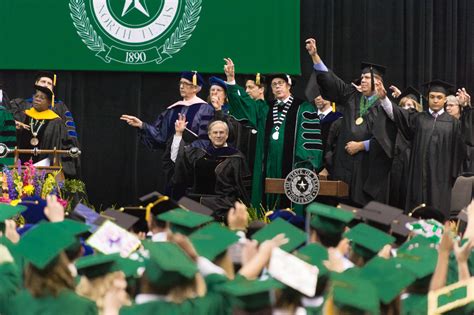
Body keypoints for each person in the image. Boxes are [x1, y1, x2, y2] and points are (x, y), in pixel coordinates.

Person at [306, 38, 397, 206]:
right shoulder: (351, 96)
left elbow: (390, 140)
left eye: (366, 78)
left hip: (368, 169)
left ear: (378, 82)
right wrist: (315, 55)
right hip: (344, 165)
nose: (362, 80)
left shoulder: (385, 106)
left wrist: (363, 145)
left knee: (363, 211)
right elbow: (331, 80)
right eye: (361, 77)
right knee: (341, 206)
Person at [224, 58, 323, 211]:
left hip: (292, 166)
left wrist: (305, 164)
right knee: (267, 201)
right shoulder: (265, 108)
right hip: (267, 165)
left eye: (280, 83)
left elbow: (310, 141)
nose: (277, 87)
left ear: (289, 85)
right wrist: (231, 80)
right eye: (274, 85)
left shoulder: (303, 108)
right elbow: (246, 105)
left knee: (290, 201)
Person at [380, 79, 466, 217]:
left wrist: (466, 108)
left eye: (439, 97)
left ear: (445, 100)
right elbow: (398, 116)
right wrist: (384, 99)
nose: (435, 100)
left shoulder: (453, 123)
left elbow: (462, 147)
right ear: (427, 98)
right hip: (418, 177)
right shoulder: (419, 119)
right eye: (432, 97)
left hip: (440, 180)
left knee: (437, 215)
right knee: (416, 212)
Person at [120, 71, 214, 194]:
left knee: (190, 201)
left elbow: (205, 140)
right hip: (172, 165)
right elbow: (161, 136)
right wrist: (142, 125)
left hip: (193, 165)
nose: (181, 86)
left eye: (186, 84)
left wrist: (184, 153)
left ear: (196, 88)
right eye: (181, 83)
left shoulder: (205, 109)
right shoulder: (173, 109)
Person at [172, 118, 250, 220]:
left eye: (221, 132)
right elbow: (177, 159)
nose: (218, 135)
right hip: (196, 201)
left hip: (222, 204)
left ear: (227, 135)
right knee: (181, 206)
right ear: (209, 135)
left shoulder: (236, 157)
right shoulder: (199, 154)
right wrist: (178, 134)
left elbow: (243, 187)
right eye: (215, 132)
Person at [16, 85, 78, 177]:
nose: (38, 99)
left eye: (42, 98)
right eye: (36, 96)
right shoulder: (24, 116)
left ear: (49, 102)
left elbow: (58, 147)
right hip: (21, 167)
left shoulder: (56, 122)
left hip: (45, 170)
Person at [9, 71, 80, 147]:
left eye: (49, 83)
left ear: (52, 88)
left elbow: (69, 131)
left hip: (50, 151)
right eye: (43, 81)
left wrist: (72, 148)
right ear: (36, 83)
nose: (46, 85)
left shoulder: (60, 107)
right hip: (22, 150)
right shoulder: (20, 105)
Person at [388, 86, 423, 209]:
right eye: (404, 106)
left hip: (411, 166)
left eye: (411, 106)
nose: (407, 109)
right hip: (394, 166)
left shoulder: (421, 123)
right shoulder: (393, 124)